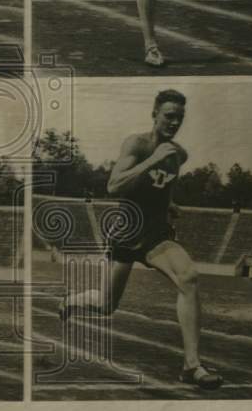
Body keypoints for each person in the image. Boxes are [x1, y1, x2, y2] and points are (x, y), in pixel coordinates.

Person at [58, 89, 223, 390]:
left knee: (189, 277)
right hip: (126, 236)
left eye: (180, 119)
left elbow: (165, 186)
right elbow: (113, 185)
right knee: (107, 306)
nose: (174, 123)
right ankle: (73, 301)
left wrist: (169, 204)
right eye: (169, 116)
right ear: (154, 114)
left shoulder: (179, 155)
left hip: (156, 238)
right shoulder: (137, 144)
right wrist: (152, 160)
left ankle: (192, 365)